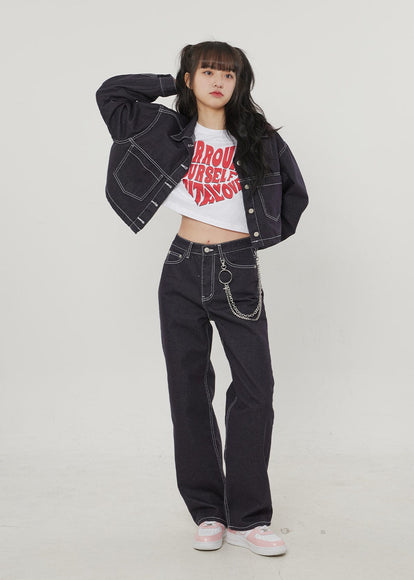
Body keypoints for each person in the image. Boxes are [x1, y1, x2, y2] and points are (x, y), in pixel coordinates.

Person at [95, 40, 308, 557]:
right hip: (181, 268)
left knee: (255, 389)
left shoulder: (258, 139)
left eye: (228, 74)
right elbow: (111, 94)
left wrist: (255, 239)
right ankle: (208, 511)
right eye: (207, 71)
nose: (218, 81)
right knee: (188, 391)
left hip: (238, 269)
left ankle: (248, 519)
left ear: (240, 83)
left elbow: (294, 194)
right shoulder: (163, 128)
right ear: (191, 78)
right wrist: (173, 83)